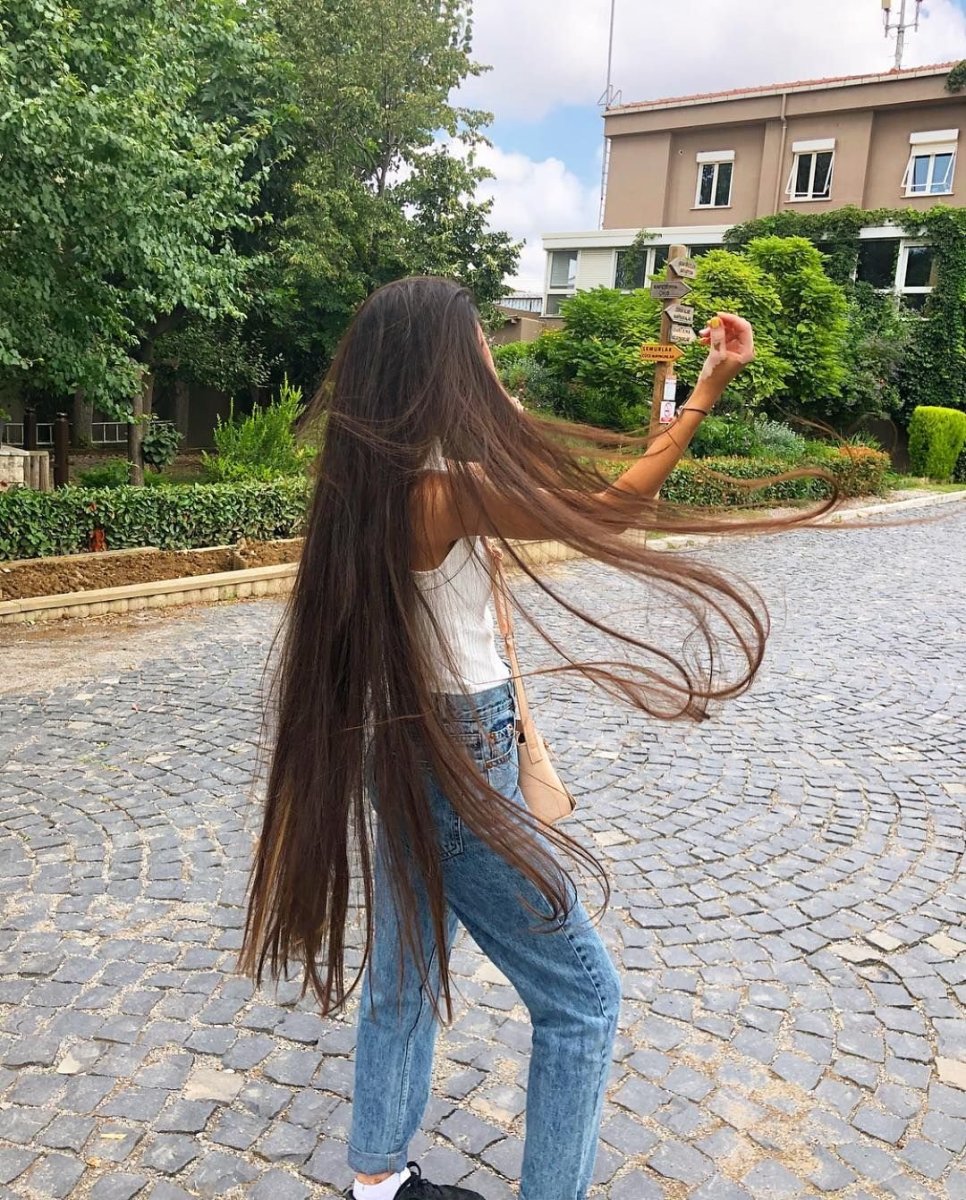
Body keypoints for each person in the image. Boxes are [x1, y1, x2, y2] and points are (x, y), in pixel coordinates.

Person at [240, 277, 771, 1200]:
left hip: (407, 742)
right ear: (440, 363)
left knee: (406, 973)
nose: (491, 351)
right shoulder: (443, 491)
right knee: (583, 1000)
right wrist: (705, 394)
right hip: (458, 757)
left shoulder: (372, 482)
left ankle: (377, 1182)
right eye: (479, 339)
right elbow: (612, 509)